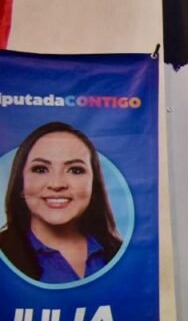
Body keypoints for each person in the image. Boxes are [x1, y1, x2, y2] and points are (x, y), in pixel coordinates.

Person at [0, 121, 122, 283]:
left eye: (75, 170)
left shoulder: (120, 253)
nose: (57, 184)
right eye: (40, 169)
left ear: (93, 185)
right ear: (21, 184)